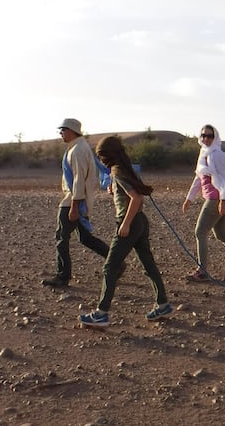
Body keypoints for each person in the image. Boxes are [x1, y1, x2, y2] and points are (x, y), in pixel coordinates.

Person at [78, 136, 171, 327]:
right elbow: (134, 195)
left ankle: (101, 313)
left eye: (101, 156)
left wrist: (126, 224)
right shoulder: (125, 169)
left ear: (108, 155)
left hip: (130, 223)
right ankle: (163, 304)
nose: (100, 159)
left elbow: (136, 198)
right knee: (148, 264)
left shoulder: (118, 171)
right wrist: (115, 191)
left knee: (110, 267)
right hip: (141, 221)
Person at [42, 118, 110, 288]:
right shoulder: (78, 147)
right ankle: (116, 262)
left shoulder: (78, 150)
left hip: (72, 201)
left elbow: (79, 180)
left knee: (61, 238)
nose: (61, 133)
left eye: (63, 130)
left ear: (72, 130)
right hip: (79, 201)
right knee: (85, 238)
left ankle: (63, 276)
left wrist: (74, 207)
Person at [182, 124, 225, 282]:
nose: (206, 139)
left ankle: (202, 271)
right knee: (221, 234)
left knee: (200, 232)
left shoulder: (217, 155)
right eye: (203, 135)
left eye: (209, 136)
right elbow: (198, 178)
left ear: (215, 137)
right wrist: (189, 199)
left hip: (216, 199)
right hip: (215, 199)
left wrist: (224, 201)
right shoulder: (204, 153)